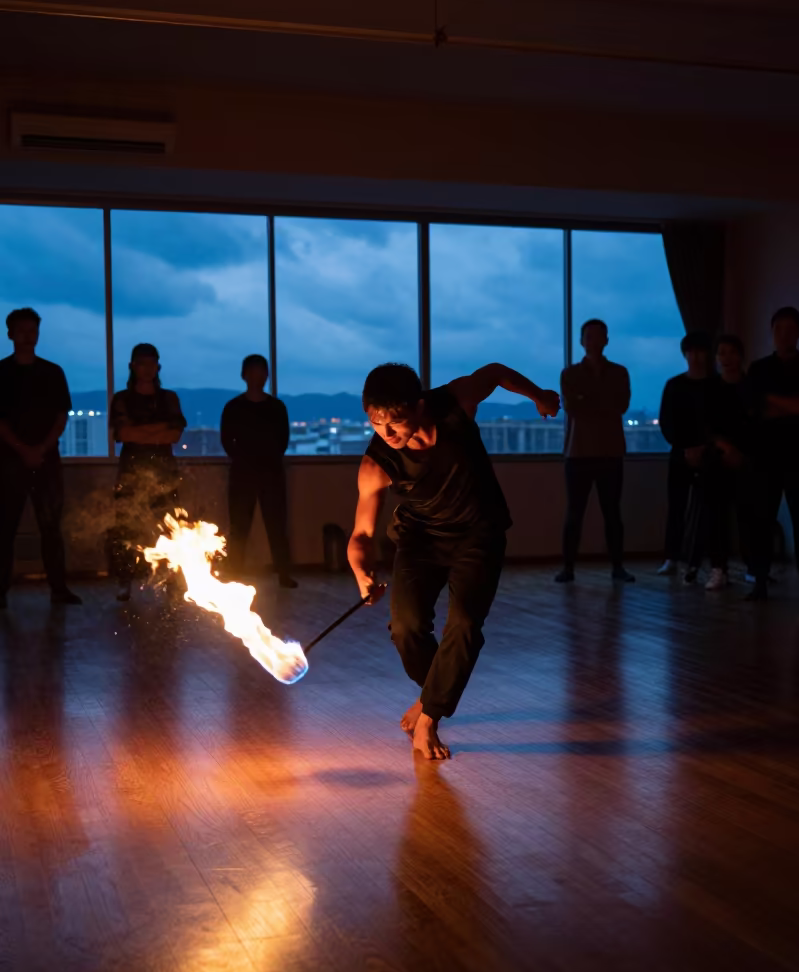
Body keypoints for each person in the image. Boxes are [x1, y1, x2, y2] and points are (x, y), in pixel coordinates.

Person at [347, 362, 559, 761]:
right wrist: (361, 572)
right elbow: (361, 534)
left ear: (420, 406)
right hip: (420, 540)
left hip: (479, 535)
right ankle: (432, 696)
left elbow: (496, 372)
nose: (387, 434)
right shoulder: (376, 463)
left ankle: (429, 716)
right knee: (406, 629)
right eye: (377, 424)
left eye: (396, 422)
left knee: (463, 624)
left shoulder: (455, 403)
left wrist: (540, 396)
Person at [0, 307, 81, 608]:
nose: (27, 335)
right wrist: (26, 450)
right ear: (9, 333)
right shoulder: (2, 373)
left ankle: (59, 589)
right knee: (5, 527)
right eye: (21, 330)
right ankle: (1, 591)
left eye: (32, 330)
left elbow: (62, 415)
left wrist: (40, 449)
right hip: (10, 461)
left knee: (51, 527)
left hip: (44, 460)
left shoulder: (52, 372)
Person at [745, 307, 799, 601]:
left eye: (790, 330)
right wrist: (793, 401)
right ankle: (760, 580)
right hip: (765, 457)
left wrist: (771, 400)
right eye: (779, 329)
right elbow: (755, 409)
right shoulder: (759, 368)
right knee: (761, 521)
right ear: (772, 332)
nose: (784, 335)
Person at [555, 318, 635, 584]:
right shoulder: (570, 374)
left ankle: (615, 567)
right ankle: (569, 568)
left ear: (606, 340)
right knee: (576, 512)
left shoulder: (617, 373)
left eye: (598, 336)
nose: (594, 340)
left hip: (607, 451)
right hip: (580, 452)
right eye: (589, 336)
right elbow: (573, 406)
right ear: (582, 341)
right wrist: (601, 400)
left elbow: (620, 405)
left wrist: (587, 398)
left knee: (612, 512)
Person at [109, 343, 186, 602]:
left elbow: (174, 434)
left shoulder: (169, 398)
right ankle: (124, 580)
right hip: (132, 473)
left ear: (158, 367)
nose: (147, 369)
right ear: (132, 366)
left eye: (151, 363)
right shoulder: (122, 399)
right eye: (142, 363)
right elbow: (124, 433)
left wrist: (141, 432)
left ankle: (171, 579)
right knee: (125, 529)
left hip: (164, 474)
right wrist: (158, 430)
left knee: (170, 527)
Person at [220, 354, 296, 588]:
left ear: (267, 376)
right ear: (244, 375)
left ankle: (283, 573)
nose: (257, 376)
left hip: (269, 472)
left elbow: (283, 439)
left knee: (277, 526)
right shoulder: (234, 407)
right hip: (245, 473)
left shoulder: (276, 407)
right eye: (252, 371)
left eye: (260, 372)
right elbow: (226, 440)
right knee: (239, 527)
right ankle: (235, 572)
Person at [657, 331, 717, 582]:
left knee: (710, 509)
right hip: (680, 452)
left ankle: (707, 559)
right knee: (677, 507)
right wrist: (684, 447)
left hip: (710, 454)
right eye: (691, 352)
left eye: (700, 351)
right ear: (685, 355)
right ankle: (673, 556)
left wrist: (703, 447)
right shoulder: (674, 385)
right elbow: (667, 422)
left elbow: (719, 421)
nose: (695, 357)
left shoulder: (716, 385)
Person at [702, 334, 753, 591]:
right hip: (717, 460)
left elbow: (757, 423)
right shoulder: (711, 389)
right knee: (717, 516)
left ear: (741, 355)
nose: (726, 358)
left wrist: (741, 451)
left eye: (731, 352)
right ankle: (718, 568)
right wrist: (726, 448)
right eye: (721, 353)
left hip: (748, 459)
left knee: (749, 515)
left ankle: (753, 567)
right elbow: (706, 426)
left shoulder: (751, 387)